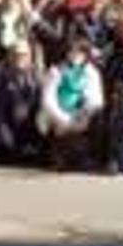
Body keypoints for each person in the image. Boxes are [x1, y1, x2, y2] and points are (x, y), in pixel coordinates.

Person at [37, 40, 104, 170]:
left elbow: (96, 99)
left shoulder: (92, 72)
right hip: (57, 114)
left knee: (93, 122)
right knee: (60, 131)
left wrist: (82, 116)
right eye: (72, 52)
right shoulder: (55, 71)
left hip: (80, 114)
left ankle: (82, 158)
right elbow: (47, 100)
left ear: (86, 55)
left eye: (80, 53)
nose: (75, 56)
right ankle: (57, 157)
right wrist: (63, 119)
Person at [0, 41, 43, 163]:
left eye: (23, 55)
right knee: (7, 148)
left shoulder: (36, 76)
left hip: (29, 126)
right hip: (7, 125)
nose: (20, 58)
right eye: (16, 55)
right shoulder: (0, 75)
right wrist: (3, 134)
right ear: (10, 56)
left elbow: (38, 105)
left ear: (29, 57)